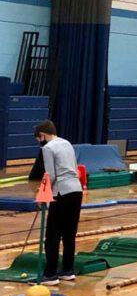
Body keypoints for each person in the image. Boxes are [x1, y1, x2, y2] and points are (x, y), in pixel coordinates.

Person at [34, 121, 83, 286]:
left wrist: (42, 196)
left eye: (39, 139)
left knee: (53, 235)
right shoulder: (67, 143)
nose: (40, 142)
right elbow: (75, 168)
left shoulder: (47, 148)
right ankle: (68, 270)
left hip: (61, 191)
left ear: (42, 135)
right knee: (69, 233)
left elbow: (50, 175)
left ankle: (50, 274)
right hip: (76, 190)